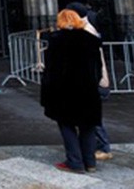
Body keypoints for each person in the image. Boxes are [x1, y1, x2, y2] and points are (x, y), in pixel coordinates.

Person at [40, 9, 102, 174]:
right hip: (88, 90)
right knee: (87, 126)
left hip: (65, 92)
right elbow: (98, 68)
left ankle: (75, 161)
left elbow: (51, 70)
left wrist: (46, 92)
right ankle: (90, 162)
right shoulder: (91, 40)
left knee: (66, 125)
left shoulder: (57, 41)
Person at [66, 2, 113, 162]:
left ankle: (103, 147)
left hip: (92, 81)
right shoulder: (84, 29)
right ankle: (91, 146)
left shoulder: (87, 31)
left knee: (92, 117)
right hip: (90, 80)